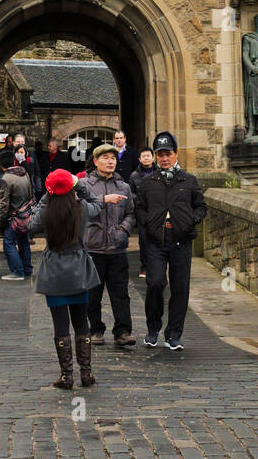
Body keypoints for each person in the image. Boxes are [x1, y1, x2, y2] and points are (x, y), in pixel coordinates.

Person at [29, 168, 102, 388]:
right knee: (81, 323)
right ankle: (86, 373)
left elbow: (30, 226)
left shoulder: (46, 211)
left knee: (61, 325)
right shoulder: (81, 208)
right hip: (78, 269)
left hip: (54, 272)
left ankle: (66, 376)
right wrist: (78, 184)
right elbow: (97, 205)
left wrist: (46, 195)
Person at [134, 131, 207, 351]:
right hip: (157, 240)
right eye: (160, 154)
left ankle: (174, 334)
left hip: (180, 240)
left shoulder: (189, 181)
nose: (164, 158)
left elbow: (201, 206)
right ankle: (153, 329)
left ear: (176, 154)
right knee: (155, 283)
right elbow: (140, 207)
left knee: (180, 288)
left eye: (168, 154)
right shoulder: (148, 183)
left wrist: (190, 221)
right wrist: (148, 224)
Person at [84, 143, 137, 347]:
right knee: (92, 294)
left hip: (116, 247)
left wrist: (123, 230)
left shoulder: (124, 186)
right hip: (93, 247)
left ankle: (123, 331)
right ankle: (95, 330)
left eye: (113, 158)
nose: (110, 161)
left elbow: (131, 212)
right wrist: (103, 199)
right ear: (96, 161)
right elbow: (80, 208)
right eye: (105, 157)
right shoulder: (85, 185)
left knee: (120, 293)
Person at [0, 149, 35, 281]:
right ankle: (27, 269)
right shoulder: (24, 173)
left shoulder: (6, 178)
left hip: (14, 216)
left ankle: (17, 271)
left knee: (8, 242)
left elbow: (4, 203)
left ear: (1, 164)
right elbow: (31, 194)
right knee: (23, 241)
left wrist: (3, 219)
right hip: (27, 213)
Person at [130, 147, 156, 277]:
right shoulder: (134, 175)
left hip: (158, 211)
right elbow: (131, 193)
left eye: (148, 155)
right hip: (142, 211)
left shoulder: (160, 172)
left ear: (153, 158)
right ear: (140, 159)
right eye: (143, 156)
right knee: (144, 240)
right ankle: (145, 267)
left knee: (159, 239)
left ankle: (158, 265)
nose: (146, 158)